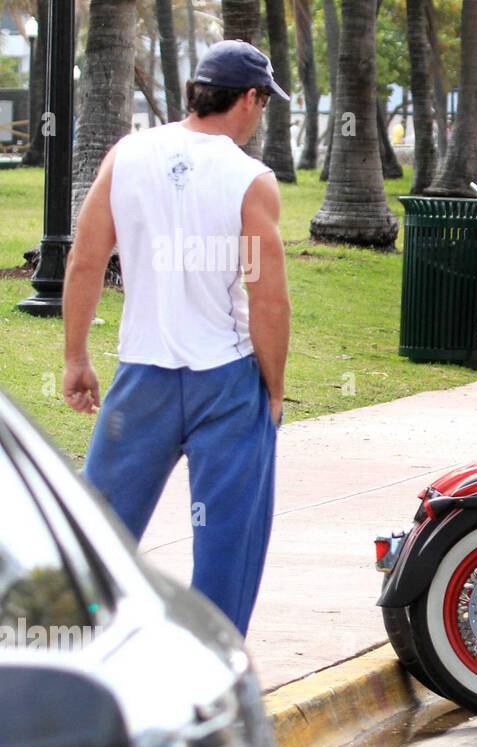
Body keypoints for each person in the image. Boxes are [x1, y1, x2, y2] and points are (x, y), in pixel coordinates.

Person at [61, 40, 291, 636]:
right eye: (263, 104)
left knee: (98, 540)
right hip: (226, 381)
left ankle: (71, 654)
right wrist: (273, 388)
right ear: (248, 98)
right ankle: (211, 674)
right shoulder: (249, 179)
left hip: (142, 377)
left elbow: (86, 261)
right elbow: (266, 296)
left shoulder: (126, 155)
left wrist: (75, 357)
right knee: (226, 546)